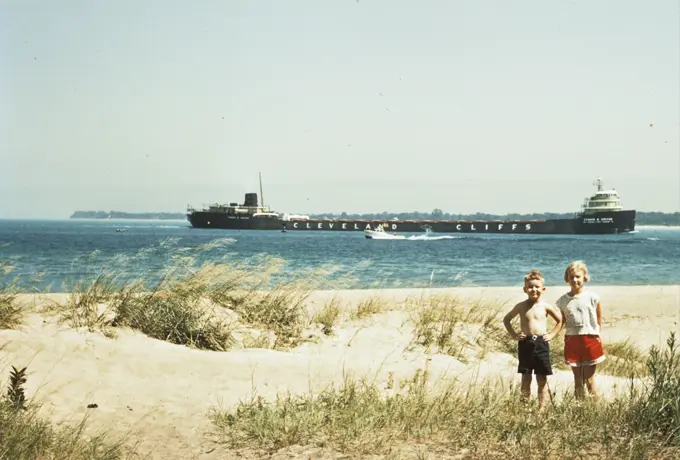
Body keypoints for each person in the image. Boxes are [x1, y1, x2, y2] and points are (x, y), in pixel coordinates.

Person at [503, 269, 563, 409]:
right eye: (530, 287)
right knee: (526, 377)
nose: (533, 289)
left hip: (541, 343)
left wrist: (552, 334)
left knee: (541, 378)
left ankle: (541, 408)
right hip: (525, 343)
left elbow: (559, 321)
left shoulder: (546, 306)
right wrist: (514, 335)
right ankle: (524, 406)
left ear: (543, 289)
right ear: (524, 289)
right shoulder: (521, 306)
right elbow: (507, 319)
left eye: (537, 286)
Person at [556, 260, 605, 402]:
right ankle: (580, 409)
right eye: (571, 277)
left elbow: (599, 320)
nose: (575, 280)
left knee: (590, 380)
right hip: (572, 340)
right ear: (567, 279)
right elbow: (561, 321)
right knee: (578, 380)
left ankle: (597, 411)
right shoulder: (562, 301)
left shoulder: (593, 298)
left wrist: (597, 336)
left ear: (585, 277)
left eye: (578, 276)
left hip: (590, 340)